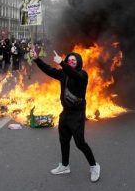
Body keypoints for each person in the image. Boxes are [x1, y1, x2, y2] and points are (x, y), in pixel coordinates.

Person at [30, 48, 100, 182]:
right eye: (69, 60)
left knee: (80, 143)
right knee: (63, 141)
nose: (71, 61)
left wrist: (62, 63)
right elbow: (49, 70)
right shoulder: (63, 74)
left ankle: (94, 166)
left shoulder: (82, 75)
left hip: (77, 114)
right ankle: (64, 166)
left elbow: (75, 75)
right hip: (65, 113)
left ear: (79, 62)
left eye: (74, 60)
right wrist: (37, 59)